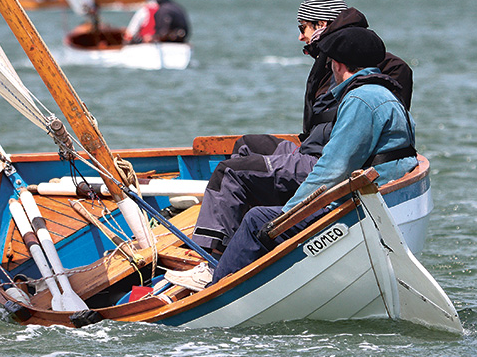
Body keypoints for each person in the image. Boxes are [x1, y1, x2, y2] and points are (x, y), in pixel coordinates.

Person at [168, 27, 418, 290]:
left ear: (338, 64)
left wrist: (289, 215)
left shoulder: (360, 99)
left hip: (354, 204)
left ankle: (216, 286)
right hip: (378, 196)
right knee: (258, 205)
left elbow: (333, 170)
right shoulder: (387, 93)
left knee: (256, 220)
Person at [189, 0, 412, 256]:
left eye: (303, 27)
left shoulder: (378, 68)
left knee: (230, 172)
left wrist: (289, 215)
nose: (300, 36)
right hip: (314, 150)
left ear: (322, 25)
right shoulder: (327, 59)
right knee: (248, 145)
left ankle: (208, 255)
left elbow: (360, 144)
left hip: (331, 159)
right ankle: (241, 231)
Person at [124, 0, 190, 44]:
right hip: (177, 41)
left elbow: (129, 34)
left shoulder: (160, 10)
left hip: (161, 41)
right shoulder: (176, 7)